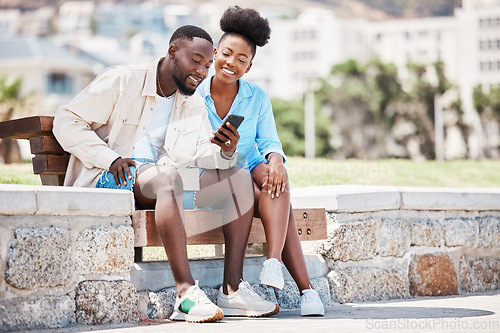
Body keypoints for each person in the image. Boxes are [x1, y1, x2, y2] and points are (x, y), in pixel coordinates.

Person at [53, 25, 278, 323]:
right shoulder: (123, 80)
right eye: (195, 60)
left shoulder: (192, 101)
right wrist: (110, 159)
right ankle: (185, 294)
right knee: (168, 176)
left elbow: (201, 157)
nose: (201, 71)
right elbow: (66, 121)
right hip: (112, 178)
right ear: (172, 51)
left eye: (207, 65)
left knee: (236, 177)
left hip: (162, 183)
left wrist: (225, 151)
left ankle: (232, 290)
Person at [198, 6, 325, 316]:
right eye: (227, 54)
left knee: (276, 180)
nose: (232, 63)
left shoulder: (256, 96)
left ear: (249, 66)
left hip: (249, 166)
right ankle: (305, 289)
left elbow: (268, 142)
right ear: (215, 52)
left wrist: (277, 161)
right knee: (280, 205)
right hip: (210, 174)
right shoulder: (195, 93)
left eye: (242, 60)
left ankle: (274, 264)